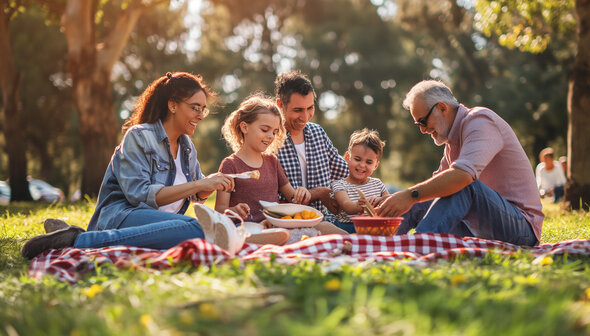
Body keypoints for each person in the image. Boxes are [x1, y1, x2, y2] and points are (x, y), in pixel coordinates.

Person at [22, 72, 240, 259]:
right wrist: (199, 184)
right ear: (173, 105)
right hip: (123, 215)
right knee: (199, 228)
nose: (200, 116)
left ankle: (75, 236)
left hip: (159, 223)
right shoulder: (139, 137)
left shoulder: (186, 146)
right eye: (195, 108)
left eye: (203, 110)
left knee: (216, 228)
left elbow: (197, 194)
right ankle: (79, 239)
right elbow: (140, 195)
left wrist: (213, 183)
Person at [376, 80, 544, 246]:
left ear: (442, 108)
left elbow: (462, 177)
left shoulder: (480, 121)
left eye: (423, 121)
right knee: (419, 199)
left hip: (522, 228)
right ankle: (380, 242)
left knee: (460, 185)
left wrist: (409, 195)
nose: (422, 129)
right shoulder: (452, 142)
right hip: (482, 227)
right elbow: (434, 187)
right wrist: (390, 202)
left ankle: (419, 245)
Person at [217, 93, 346, 238]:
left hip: (275, 225)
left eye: (274, 132)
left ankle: (355, 244)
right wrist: (234, 210)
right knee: (280, 236)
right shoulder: (230, 165)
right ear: (244, 127)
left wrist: (301, 193)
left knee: (327, 227)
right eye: (265, 130)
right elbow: (219, 210)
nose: (271, 136)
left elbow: (292, 198)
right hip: (246, 228)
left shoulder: (272, 161)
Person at [274, 70, 349, 222]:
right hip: (287, 223)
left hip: (323, 219)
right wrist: (320, 192)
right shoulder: (270, 140)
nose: (305, 117)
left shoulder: (317, 133)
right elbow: (275, 198)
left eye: (310, 108)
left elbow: (344, 174)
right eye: (298, 110)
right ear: (280, 105)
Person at [330, 128, 390, 233]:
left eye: (369, 162)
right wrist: (359, 206)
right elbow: (346, 205)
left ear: (375, 165)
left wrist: (379, 200)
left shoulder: (378, 184)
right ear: (348, 157)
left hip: (372, 226)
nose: (362, 165)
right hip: (347, 226)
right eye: (357, 159)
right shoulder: (339, 184)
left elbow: (389, 201)